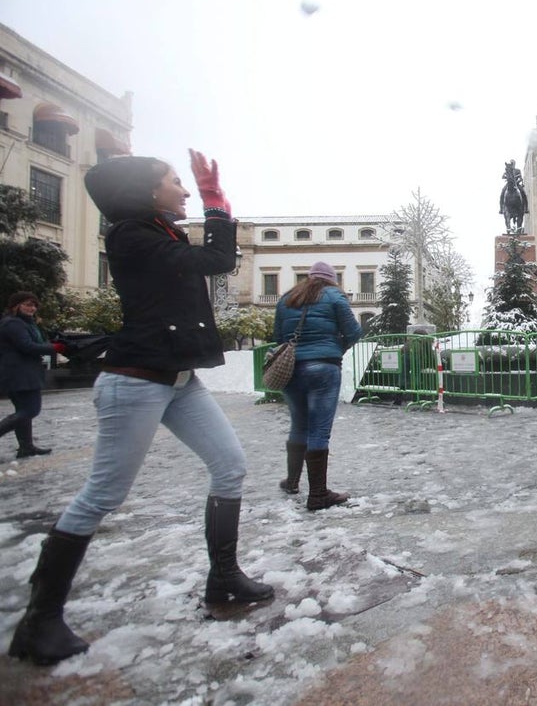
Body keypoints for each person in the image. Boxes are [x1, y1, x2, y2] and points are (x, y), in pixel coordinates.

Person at [7, 152, 274, 666]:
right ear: (148, 192)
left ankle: (223, 578)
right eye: (178, 184)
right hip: (134, 384)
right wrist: (217, 203)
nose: (186, 193)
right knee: (103, 494)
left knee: (230, 466)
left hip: (178, 381)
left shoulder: (158, 233)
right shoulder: (131, 236)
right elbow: (216, 260)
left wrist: (213, 203)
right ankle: (38, 620)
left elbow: (210, 262)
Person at [274, 262, 363, 508]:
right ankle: (318, 494)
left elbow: (278, 337)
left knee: (299, 425)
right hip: (324, 368)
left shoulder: (287, 298)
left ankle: (292, 481)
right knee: (319, 430)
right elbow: (354, 332)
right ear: (331, 279)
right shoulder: (335, 296)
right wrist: (335, 349)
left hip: (292, 370)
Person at [0, 292, 68, 458]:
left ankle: (26, 447)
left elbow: (35, 344)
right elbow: (27, 346)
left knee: (23, 410)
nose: (32, 308)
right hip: (19, 373)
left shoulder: (27, 324)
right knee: (30, 410)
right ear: (16, 305)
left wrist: (52, 344)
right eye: (27, 304)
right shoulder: (13, 324)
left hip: (25, 371)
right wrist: (55, 348)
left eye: (34, 305)